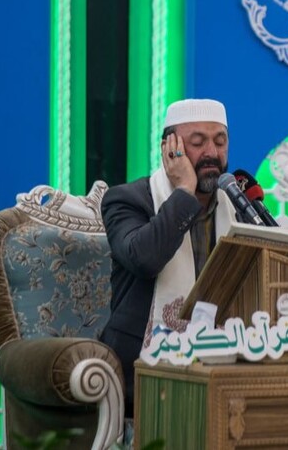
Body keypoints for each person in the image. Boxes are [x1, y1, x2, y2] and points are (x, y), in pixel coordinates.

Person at [98, 99, 236, 407]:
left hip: (225, 361)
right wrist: (184, 191)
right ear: (169, 149)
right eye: (198, 142)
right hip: (142, 367)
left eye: (220, 141)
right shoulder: (126, 200)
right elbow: (145, 259)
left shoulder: (237, 206)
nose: (212, 153)